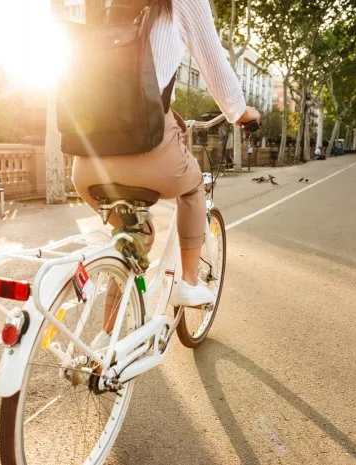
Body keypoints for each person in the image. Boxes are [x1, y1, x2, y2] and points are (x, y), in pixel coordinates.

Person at [72, 0, 260, 309]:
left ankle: (108, 342)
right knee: (193, 185)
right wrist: (240, 111)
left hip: (85, 168)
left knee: (133, 239)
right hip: (147, 151)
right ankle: (189, 282)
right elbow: (214, 63)